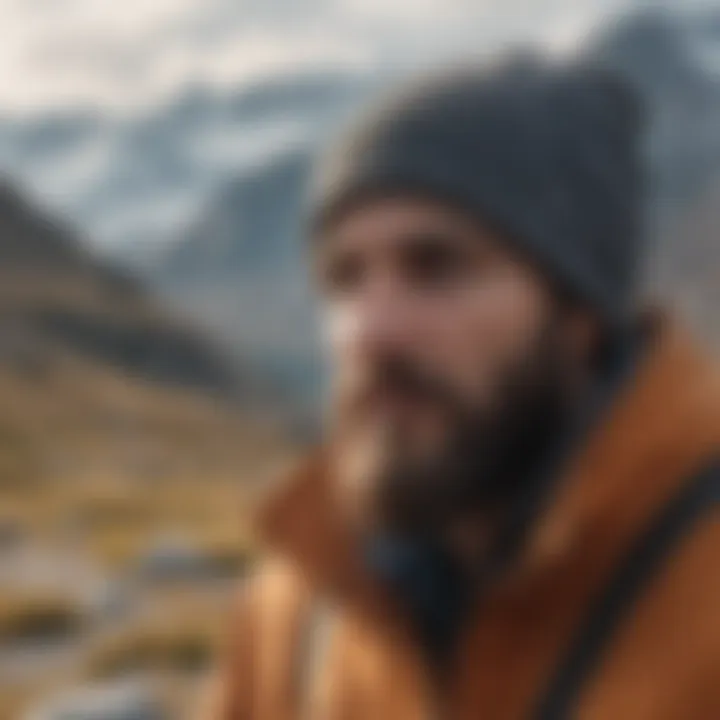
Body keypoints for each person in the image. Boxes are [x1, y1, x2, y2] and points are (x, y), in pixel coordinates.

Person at [203, 55, 720, 719]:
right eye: (343, 279)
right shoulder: (302, 600)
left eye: (437, 267)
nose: (371, 332)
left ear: (581, 314)